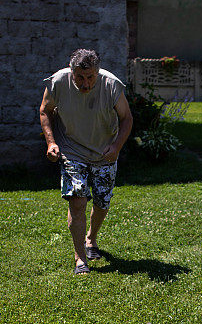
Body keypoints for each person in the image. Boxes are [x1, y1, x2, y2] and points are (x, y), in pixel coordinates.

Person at [39, 49, 133, 274]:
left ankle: (91, 238)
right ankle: (80, 257)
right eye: (80, 77)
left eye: (90, 77)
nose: (86, 82)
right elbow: (45, 111)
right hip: (72, 150)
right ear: (72, 72)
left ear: (97, 73)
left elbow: (127, 118)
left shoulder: (111, 85)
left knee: (102, 202)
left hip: (104, 152)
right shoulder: (58, 82)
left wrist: (116, 146)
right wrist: (51, 143)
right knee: (78, 200)